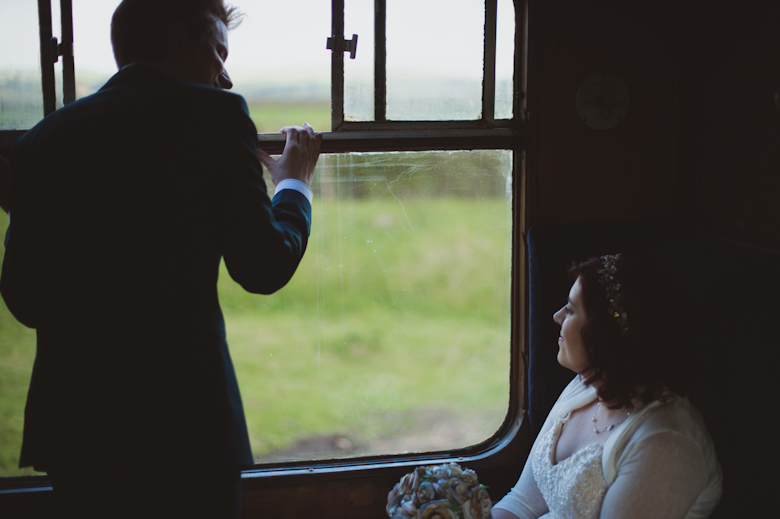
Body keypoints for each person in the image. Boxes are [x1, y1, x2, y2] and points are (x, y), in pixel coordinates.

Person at [0, 0, 322, 517]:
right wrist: (294, 183)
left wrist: (22, 212)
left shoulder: (42, 141)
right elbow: (262, 266)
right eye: (219, 52)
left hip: (75, 428)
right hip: (185, 424)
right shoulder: (216, 117)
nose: (225, 74)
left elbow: (25, 301)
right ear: (180, 41)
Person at [492, 253, 722, 519]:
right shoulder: (586, 387)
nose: (556, 317)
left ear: (603, 332)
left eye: (570, 309)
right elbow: (523, 503)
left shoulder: (667, 444)